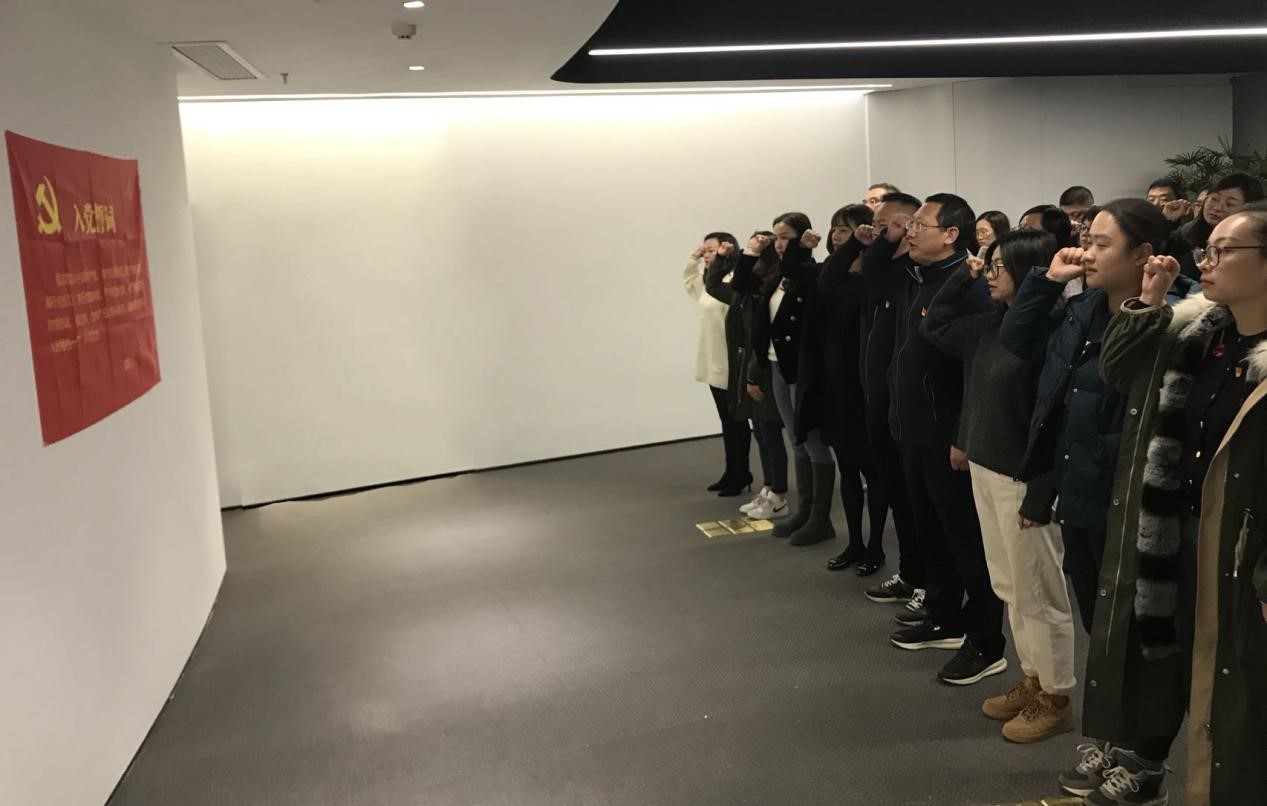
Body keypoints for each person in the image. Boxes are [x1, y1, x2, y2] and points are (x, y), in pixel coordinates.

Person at [999, 199, 1197, 803]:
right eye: (1087, 239)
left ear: (1144, 255)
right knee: (1101, 628)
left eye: (1101, 243)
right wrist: (1045, 281)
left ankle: (1145, 757)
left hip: (1137, 499)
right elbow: (1017, 342)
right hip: (1080, 487)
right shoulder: (1082, 305)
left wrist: (1149, 306)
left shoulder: (1184, 313)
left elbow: (1128, 387)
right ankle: (1115, 739)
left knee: (1142, 636)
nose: (1086, 252)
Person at [1097, 209, 1267, 806]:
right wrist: (1149, 301)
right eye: (1206, 250)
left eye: (1223, 251)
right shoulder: (1199, 333)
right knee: (1169, 655)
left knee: (1237, 681)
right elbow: (1116, 370)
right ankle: (1150, 765)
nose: (1205, 262)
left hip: (1242, 547)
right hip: (1176, 527)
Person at [923, 228, 1077, 743]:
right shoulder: (991, 325)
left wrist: (1042, 491)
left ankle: (1056, 697)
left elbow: (1056, 421)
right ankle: (1033, 679)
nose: (989, 275)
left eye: (997, 266)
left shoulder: (1051, 332)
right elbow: (934, 325)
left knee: (1039, 592)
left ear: (1030, 271)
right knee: (1010, 586)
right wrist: (963, 276)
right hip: (987, 469)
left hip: (1023, 479)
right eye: (987, 265)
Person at [860, 192, 1007, 686]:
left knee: (966, 541)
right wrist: (890, 235)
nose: (910, 231)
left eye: (920, 224)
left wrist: (963, 435)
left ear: (951, 235)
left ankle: (986, 641)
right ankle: (944, 617)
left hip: (948, 437)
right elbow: (872, 270)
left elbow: (976, 372)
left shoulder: (969, 286)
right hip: (913, 430)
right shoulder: (915, 277)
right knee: (932, 533)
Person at [794, 205, 888, 572]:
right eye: (835, 228)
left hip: (865, 390)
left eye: (846, 229)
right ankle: (855, 543)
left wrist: (862, 246)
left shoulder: (874, 278)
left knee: (873, 474)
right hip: (836, 391)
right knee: (848, 471)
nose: (837, 235)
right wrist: (849, 247)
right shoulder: (831, 276)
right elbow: (819, 278)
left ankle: (876, 547)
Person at [733, 213, 838, 546]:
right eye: (776, 237)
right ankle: (804, 511)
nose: (779, 244)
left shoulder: (808, 273)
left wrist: (800, 251)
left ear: (803, 237)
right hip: (776, 366)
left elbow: (800, 279)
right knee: (796, 439)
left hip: (802, 369)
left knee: (812, 440)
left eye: (785, 237)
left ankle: (820, 517)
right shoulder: (776, 276)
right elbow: (741, 285)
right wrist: (750, 252)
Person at [855, 193, 924, 589]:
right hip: (881, 402)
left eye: (889, 226)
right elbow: (868, 271)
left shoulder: (914, 274)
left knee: (916, 504)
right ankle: (912, 572)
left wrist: (886, 243)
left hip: (909, 408)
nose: (881, 234)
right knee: (898, 495)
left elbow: (875, 268)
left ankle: (924, 581)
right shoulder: (892, 272)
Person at [710, 235, 789, 517]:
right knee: (761, 432)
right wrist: (720, 259)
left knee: (770, 432)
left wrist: (754, 375)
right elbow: (714, 286)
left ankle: (778, 493)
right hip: (749, 367)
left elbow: (760, 335)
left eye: (756, 255)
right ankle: (769, 488)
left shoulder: (764, 289)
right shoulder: (746, 291)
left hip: (761, 367)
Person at [683, 232, 751, 494]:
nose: (706, 255)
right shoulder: (709, 282)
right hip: (714, 362)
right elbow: (690, 282)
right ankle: (731, 471)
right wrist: (693, 259)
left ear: (727, 249)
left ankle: (741, 473)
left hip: (730, 361)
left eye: (711, 250)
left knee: (736, 421)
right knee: (726, 421)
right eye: (705, 250)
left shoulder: (732, 281)